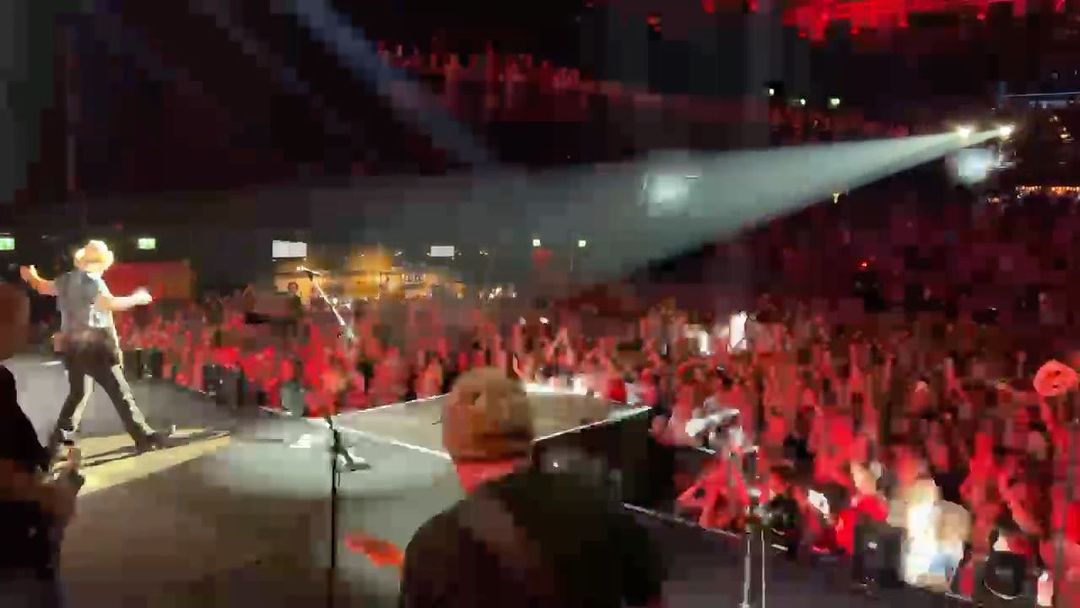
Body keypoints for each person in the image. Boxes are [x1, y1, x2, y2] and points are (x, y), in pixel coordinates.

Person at [400, 367, 665, 608]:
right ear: (527, 435)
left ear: (452, 445)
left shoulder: (433, 547)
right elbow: (651, 600)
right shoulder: (601, 507)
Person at [21, 240, 169, 458]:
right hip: (94, 347)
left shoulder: (66, 279)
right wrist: (137, 298)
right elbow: (109, 303)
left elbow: (42, 287)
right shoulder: (93, 281)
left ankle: (57, 443)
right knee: (120, 393)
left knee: (78, 393)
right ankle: (144, 437)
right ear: (101, 262)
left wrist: (31, 276)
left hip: (72, 347)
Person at [0, 282, 81, 608]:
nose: (28, 331)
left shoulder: (3, 377)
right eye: (22, 322)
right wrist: (47, 493)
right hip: (10, 553)